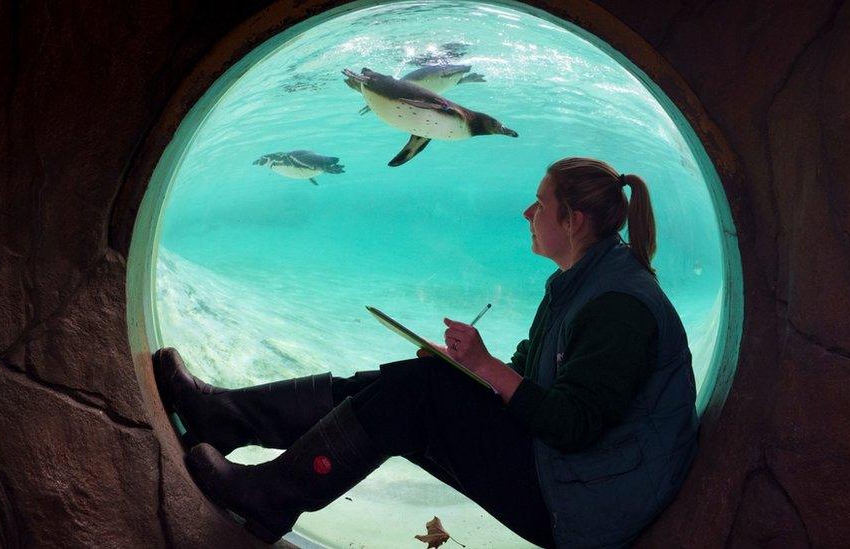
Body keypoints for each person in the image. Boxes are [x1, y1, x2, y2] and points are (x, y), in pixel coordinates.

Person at [154, 157, 699, 548]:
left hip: (584, 507)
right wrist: (471, 369)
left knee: (418, 395)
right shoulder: (584, 280)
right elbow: (534, 377)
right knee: (409, 386)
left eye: (541, 202)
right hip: (567, 475)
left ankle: (269, 496)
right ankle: (223, 418)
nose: (527, 212)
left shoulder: (617, 307)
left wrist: (484, 368)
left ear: (573, 220)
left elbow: (573, 426)